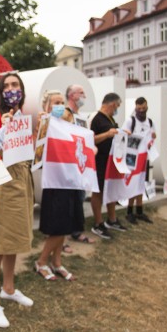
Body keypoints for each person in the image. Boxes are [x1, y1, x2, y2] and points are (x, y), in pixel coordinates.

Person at [0, 71, 34, 328]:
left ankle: (9, 288)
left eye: (16, 85)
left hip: (22, 179)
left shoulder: (24, 117)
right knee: (1, 241)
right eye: (7, 86)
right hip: (5, 181)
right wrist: (2, 127)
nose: (12, 89)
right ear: (1, 92)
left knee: (13, 237)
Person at [34, 90, 78, 281]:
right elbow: (38, 152)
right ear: (46, 106)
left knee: (66, 224)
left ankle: (57, 262)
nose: (60, 106)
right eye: (55, 103)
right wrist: (43, 125)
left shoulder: (68, 125)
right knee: (58, 226)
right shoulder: (43, 125)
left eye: (62, 102)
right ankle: (42, 261)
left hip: (69, 180)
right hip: (54, 181)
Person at [90, 93, 129, 240]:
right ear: (112, 104)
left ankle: (112, 220)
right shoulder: (96, 118)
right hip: (100, 161)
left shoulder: (111, 119)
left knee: (112, 189)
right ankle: (98, 223)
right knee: (98, 192)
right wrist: (107, 134)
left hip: (112, 162)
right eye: (117, 106)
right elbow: (91, 139)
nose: (116, 109)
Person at [65, 84, 95, 245]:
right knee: (69, 200)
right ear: (72, 95)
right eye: (81, 92)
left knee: (79, 198)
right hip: (69, 164)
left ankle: (76, 231)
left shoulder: (80, 117)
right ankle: (63, 236)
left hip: (80, 163)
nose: (84, 96)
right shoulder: (65, 114)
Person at [122, 97, 156, 224]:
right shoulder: (130, 121)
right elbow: (123, 135)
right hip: (132, 157)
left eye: (143, 108)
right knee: (133, 182)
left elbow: (153, 136)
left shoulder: (150, 122)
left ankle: (139, 211)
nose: (141, 111)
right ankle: (129, 212)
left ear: (147, 107)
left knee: (141, 182)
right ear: (135, 108)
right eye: (139, 109)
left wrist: (153, 137)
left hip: (144, 156)